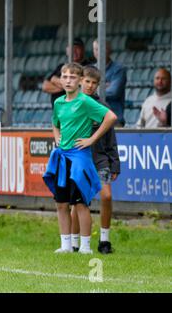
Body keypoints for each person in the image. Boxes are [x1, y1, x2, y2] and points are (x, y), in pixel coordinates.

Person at [43, 63, 117, 254]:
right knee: (61, 203)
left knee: (80, 203)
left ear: (79, 81)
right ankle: (66, 245)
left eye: (73, 77)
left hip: (80, 158)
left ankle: (85, 246)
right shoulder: (58, 102)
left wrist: (92, 139)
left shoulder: (86, 101)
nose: (68, 81)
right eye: (64, 77)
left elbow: (110, 117)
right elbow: (55, 123)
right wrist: (56, 137)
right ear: (60, 79)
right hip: (62, 157)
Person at [70, 66, 120, 254]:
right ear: (81, 81)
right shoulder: (71, 104)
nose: (90, 86)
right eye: (87, 81)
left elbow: (110, 137)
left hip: (100, 160)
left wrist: (114, 162)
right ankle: (75, 243)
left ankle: (104, 240)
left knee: (106, 196)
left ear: (98, 85)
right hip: (79, 158)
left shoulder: (103, 108)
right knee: (78, 202)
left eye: (94, 83)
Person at [42, 38, 93, 108]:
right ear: (67, 51)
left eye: (77, 48)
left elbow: (82, 88)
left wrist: (57, 82)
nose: (74, 51)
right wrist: (68, 87)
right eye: (71, 48)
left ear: (83, 50)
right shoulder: (61, 66)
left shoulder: (88, 67)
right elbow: (45, 86)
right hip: (59, 113)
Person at [92, 39, 127, 127]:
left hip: (114, 119)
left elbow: (114, 92)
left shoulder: (119, 69)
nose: (98, 52)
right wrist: (104, 86)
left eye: (102, 49)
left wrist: (94, 89)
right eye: (96, 49)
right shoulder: (90, 70)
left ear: (109, 50)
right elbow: (83, 92)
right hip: (94, 120)